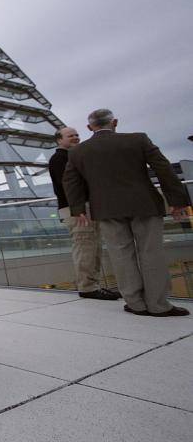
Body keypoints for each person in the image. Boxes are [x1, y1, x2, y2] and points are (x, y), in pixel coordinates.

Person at [63, 109, 191, 317]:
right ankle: (158, 305)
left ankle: (135, 303)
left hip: (106, 209)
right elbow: (163, 168)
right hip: (145, 205)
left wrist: (78, 209)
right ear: (115, 122)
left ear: (89, 128)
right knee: (151, 253)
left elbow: (70, 181)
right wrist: (177, 200)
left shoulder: (79, 151)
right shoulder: (138, 139)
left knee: (120, 254)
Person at [48, 127, 119, 300]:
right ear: (59, 140)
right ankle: (88, 288)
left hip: (83, 208)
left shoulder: (73, 156)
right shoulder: (59, 159)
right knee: (85, 247)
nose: (75, 137)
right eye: (70, 136)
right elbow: (69, 185)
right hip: (77, 210)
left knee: (93, 247)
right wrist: (79, 208)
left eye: (76, 135)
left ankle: (93, 285)